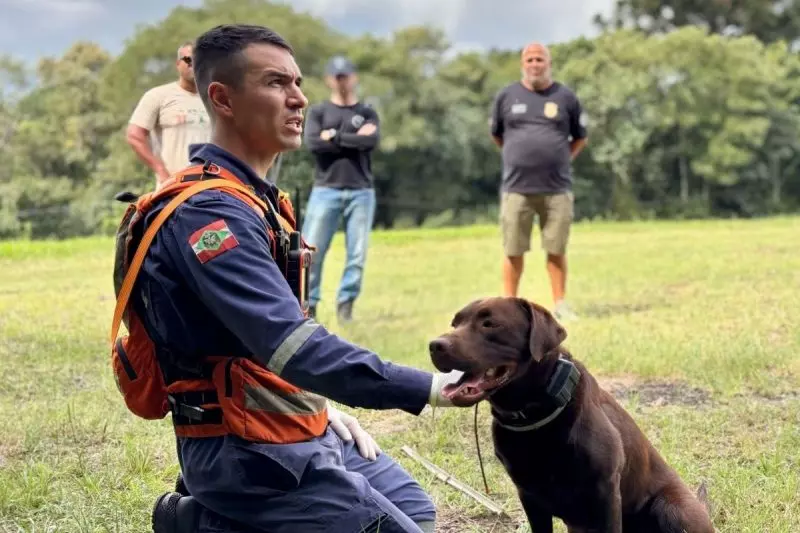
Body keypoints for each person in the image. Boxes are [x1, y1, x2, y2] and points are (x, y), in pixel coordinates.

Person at [116, 24, 467, 533]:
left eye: (298, 82)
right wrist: (432, 387)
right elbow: (291, 346)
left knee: (417, 511)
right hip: (241, 448)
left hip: (287, 421)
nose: (299, 98)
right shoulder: (209, 216)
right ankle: (198, 519)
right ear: (223, 98)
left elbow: (271, 344)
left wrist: (317, 411)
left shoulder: (258, 198)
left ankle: (207, 521)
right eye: (276, 83)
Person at [489, 41, 588, 322]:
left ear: (549, 63)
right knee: (513, 250)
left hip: (557, 188)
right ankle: (508, 307)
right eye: (530, 60)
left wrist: (560, 158)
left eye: (540, 60)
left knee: (556, 250)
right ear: (523, 64)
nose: (535, 64)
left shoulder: (565, 97)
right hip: (516, 188)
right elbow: (497, 135)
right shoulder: (506, 96)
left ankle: (560, 304)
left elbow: (580, 137)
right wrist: (519, 155)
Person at [301, 55, 380, 323]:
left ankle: (346, 307)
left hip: (361, 191)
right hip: (326, 190)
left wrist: (333, 136)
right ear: (328, 80)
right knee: (312, 252)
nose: (341, 81)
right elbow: (313, 144)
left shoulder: (367, 112)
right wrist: (354, 139)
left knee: (356, 254)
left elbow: (371, 143)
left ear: (354, 77)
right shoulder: (319, 112)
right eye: (336, 76)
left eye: (345, 76)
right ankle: (308, 308)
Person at [126, 41, 211, 190]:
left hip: (214, 186)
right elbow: (135, 135)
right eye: (188, 60)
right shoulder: (158, 96)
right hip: (174, 188)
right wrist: (160, 170)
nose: (193, 64)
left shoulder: (216, 97)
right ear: (178, 64)